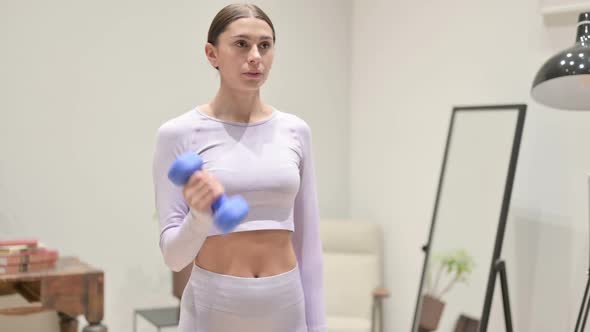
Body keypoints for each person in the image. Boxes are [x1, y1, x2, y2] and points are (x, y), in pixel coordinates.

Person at [151, 3, 326, 332]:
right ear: (212, 53)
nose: (256, 56)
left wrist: (318, 327)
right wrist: (200, 215)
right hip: (214, 306)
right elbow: (174, 258)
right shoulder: (177, 134)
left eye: (265, 45)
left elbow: (309, 245)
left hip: (285, 303)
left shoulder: (295, 131)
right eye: (241, 44)